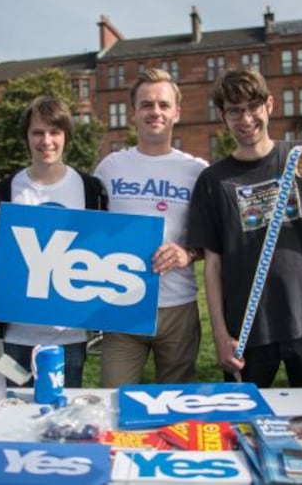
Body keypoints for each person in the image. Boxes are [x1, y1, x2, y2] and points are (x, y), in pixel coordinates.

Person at [187, 67, 302, 388]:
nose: (246, 119)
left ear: (269, 105)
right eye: (235, 111)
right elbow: (212, 266)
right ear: (223, 116)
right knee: (243, 424)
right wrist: (222, 334)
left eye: (253, 107)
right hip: (248, 332)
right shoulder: (213, 181)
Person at [94, 68, 208, 387]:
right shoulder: (110, 167)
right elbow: (89, 231)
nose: (155, 111)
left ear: (176, 113)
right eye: (146, 104)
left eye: (163, 104)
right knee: (113, 397)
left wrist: (188, 253)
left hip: (178, 307)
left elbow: (214, 239)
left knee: (176, 407)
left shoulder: (198, 172)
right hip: (121, 307)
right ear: (133, 113)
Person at [0, 95, 108, 387]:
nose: (47, 141)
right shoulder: (5, 192)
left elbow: (102, 252)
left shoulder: (90, 189)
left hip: (69, 336)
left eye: (54, 132)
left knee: (61, 420)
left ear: (66, 135)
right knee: (14, 418)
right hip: (17, 335)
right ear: (26, 137)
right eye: (37, 132)